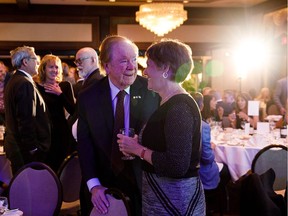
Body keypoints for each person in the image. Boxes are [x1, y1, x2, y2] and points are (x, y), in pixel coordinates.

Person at [118, 39, 205, 215]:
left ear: (165, 68)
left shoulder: (179, 107)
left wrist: (138, 149)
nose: (145, 71)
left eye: (149, 65)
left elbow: (177, 165)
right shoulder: (166, 101)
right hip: (163, 197)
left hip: (176, 201)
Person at [77, 36, 159, 215]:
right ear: (106, 66)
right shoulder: (88, 97)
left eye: (134, 59)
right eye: (123, 61)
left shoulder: (152, 91)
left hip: (144, 186)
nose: (132, 67)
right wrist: (94, 185)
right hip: (102, 189)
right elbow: (85, 145)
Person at [4, 46, 51, 174]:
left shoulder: (14, 80)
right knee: (28, 190)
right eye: (35, 59)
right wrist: (34, 149)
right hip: (25, 151)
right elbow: (26, 119)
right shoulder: (24, 82)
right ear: (25, 62)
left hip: (19, 148)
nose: (38, 62)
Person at [192, 92, 231, 214]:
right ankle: (219, 207)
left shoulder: (181, 121)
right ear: (202, 106)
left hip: (187, 170)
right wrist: (212, 150)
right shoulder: (203, 126)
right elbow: (207, 158)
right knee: (226, 170)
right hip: (201, 171)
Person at [36, 54, 75, 172]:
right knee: (45, 168)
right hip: (43, 133)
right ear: (43, 69)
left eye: (57, 67)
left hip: (61, 133)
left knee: (60, 168)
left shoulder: (65, 85)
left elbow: (73, 110)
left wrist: (60, 94)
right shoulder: (36, 87)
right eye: (51, 67)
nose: (55, 70)